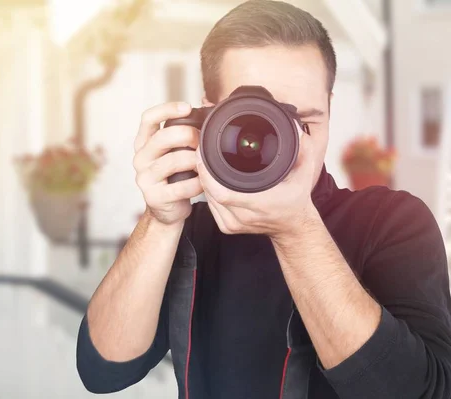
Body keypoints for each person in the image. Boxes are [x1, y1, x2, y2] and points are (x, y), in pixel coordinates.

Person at [76, 1, 451, 398]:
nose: (283, 147)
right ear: (210, 114)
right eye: (256, 122)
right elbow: (103, 371)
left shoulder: (390, 221)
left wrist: (297, 230)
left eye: (304, 123)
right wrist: (160, 219)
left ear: (330, 109)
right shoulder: (186, 228)